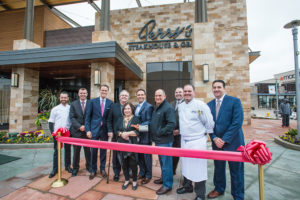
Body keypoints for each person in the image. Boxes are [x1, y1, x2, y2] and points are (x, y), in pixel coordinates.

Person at [207, 80, 245, 200]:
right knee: (218, 168)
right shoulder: (209, 105)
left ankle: (238, 195)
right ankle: (219, 188)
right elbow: (208, 124)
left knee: (236, 171)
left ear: (224, 88)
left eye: (219, 87)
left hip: (233, 143)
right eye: (214, 87)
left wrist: (224, 139)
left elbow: (237, 123)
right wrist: (213, 138)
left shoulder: (234, 101)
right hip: (216, 143)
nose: (216, 89)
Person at [176, 84, 214, 200]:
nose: (187, 93)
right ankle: (187, 186)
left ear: (194, 92)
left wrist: (205, 136)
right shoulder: (181, 106)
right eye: (185, 91)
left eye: (189, 91)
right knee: (186, 165)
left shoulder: (200, 105)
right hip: (184, 140)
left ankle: (200, 194)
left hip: (197, 141)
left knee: (198, 168)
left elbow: (209, 123)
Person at [150, 89, 176, 195]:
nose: (158, 97)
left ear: (165, 96)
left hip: (165, 141)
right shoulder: (157, 107)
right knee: (162, 162)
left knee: (166, 164)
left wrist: (159, 132)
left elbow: (171, 124)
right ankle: (164, 179)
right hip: (159, 140)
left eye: (160, 95)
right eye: (156, 96)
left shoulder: (168, 108)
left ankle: (167, 185)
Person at [85, 85, 113, 180]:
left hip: (104, 130)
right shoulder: (92, 101)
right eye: (102, 90)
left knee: (103, 151)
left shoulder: (110, 103)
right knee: (93, 151)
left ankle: (102, 169)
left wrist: (110, 130)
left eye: (105, 90)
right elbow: (88, 117)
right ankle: (93, 170)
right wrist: (88, 130)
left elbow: (110, 118)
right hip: (94, 130)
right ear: (100, 91)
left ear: (108, 92)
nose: (104, 92)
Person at [115, 103, 140, 190]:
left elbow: (138, 132)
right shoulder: (120, 119)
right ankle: (126, 180)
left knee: (133, 164)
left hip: (132, 144)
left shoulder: (136, 119)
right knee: (124, 163)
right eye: (125, 109)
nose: (127, 110)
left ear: (132, 109)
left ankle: (134, 181)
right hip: (121, 144)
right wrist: (121, 134)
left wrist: (128, 133)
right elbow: (116, 130)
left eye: (129, 109)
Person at [48, 91, 72, 178]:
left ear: (68, 98)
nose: (64, 99)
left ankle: (67, 166)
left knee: (68, 150)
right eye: (62, 97)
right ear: (59, 98)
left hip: (68, 133)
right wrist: (52, 133)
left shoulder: (70, 108)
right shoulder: (55, 109)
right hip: (57, 134)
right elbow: (51, 122)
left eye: (65, 98)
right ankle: (55, 169)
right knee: (56, 151)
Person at [107, 90, 130, 182]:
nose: (124, 97)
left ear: (128, 97)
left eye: (126, 95)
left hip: (127, 136)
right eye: (122, 95)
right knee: (116, 155)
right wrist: (110, 130)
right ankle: (116, 172)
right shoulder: (113, 106)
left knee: (127, 155)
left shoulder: (130, 107)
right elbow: (108, 120)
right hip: (116, 135)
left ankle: (127, 171)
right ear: (119, 97)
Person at [69, 88, 91, 176]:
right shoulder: (73, 104)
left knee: (88, 151)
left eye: (84, 93)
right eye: (81, 93)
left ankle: (89, 166)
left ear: (87, 94)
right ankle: (75, 168)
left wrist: (86, 127)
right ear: (78, 94)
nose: (83, 94)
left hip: (87, 132)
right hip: (76, 132)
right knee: (76, 151)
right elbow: (72, 117)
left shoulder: (90, 103)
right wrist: (79, 126)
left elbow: (92, 116)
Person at [134, 89, 153, 184]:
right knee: (139, 156)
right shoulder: (136, 106)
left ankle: (148, 175)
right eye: (138, 95)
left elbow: (150, 121)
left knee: (146, 156)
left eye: (142, 94)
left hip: (145, 135)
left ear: (145, 96)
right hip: (137, 136)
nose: (140, 96)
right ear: (136, 96)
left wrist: (140, 127)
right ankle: (142, 172)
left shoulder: (149, 107)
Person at [170, 87, 184, 175]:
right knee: (173, 154)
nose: (178, 94)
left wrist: (179, 130)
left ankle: (186, 177)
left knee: (183, 155)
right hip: (171, 134)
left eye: (180, 92)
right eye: (176, 92)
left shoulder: (186, 103)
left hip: (182, 134)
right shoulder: (171, 103)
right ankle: (172, 171)